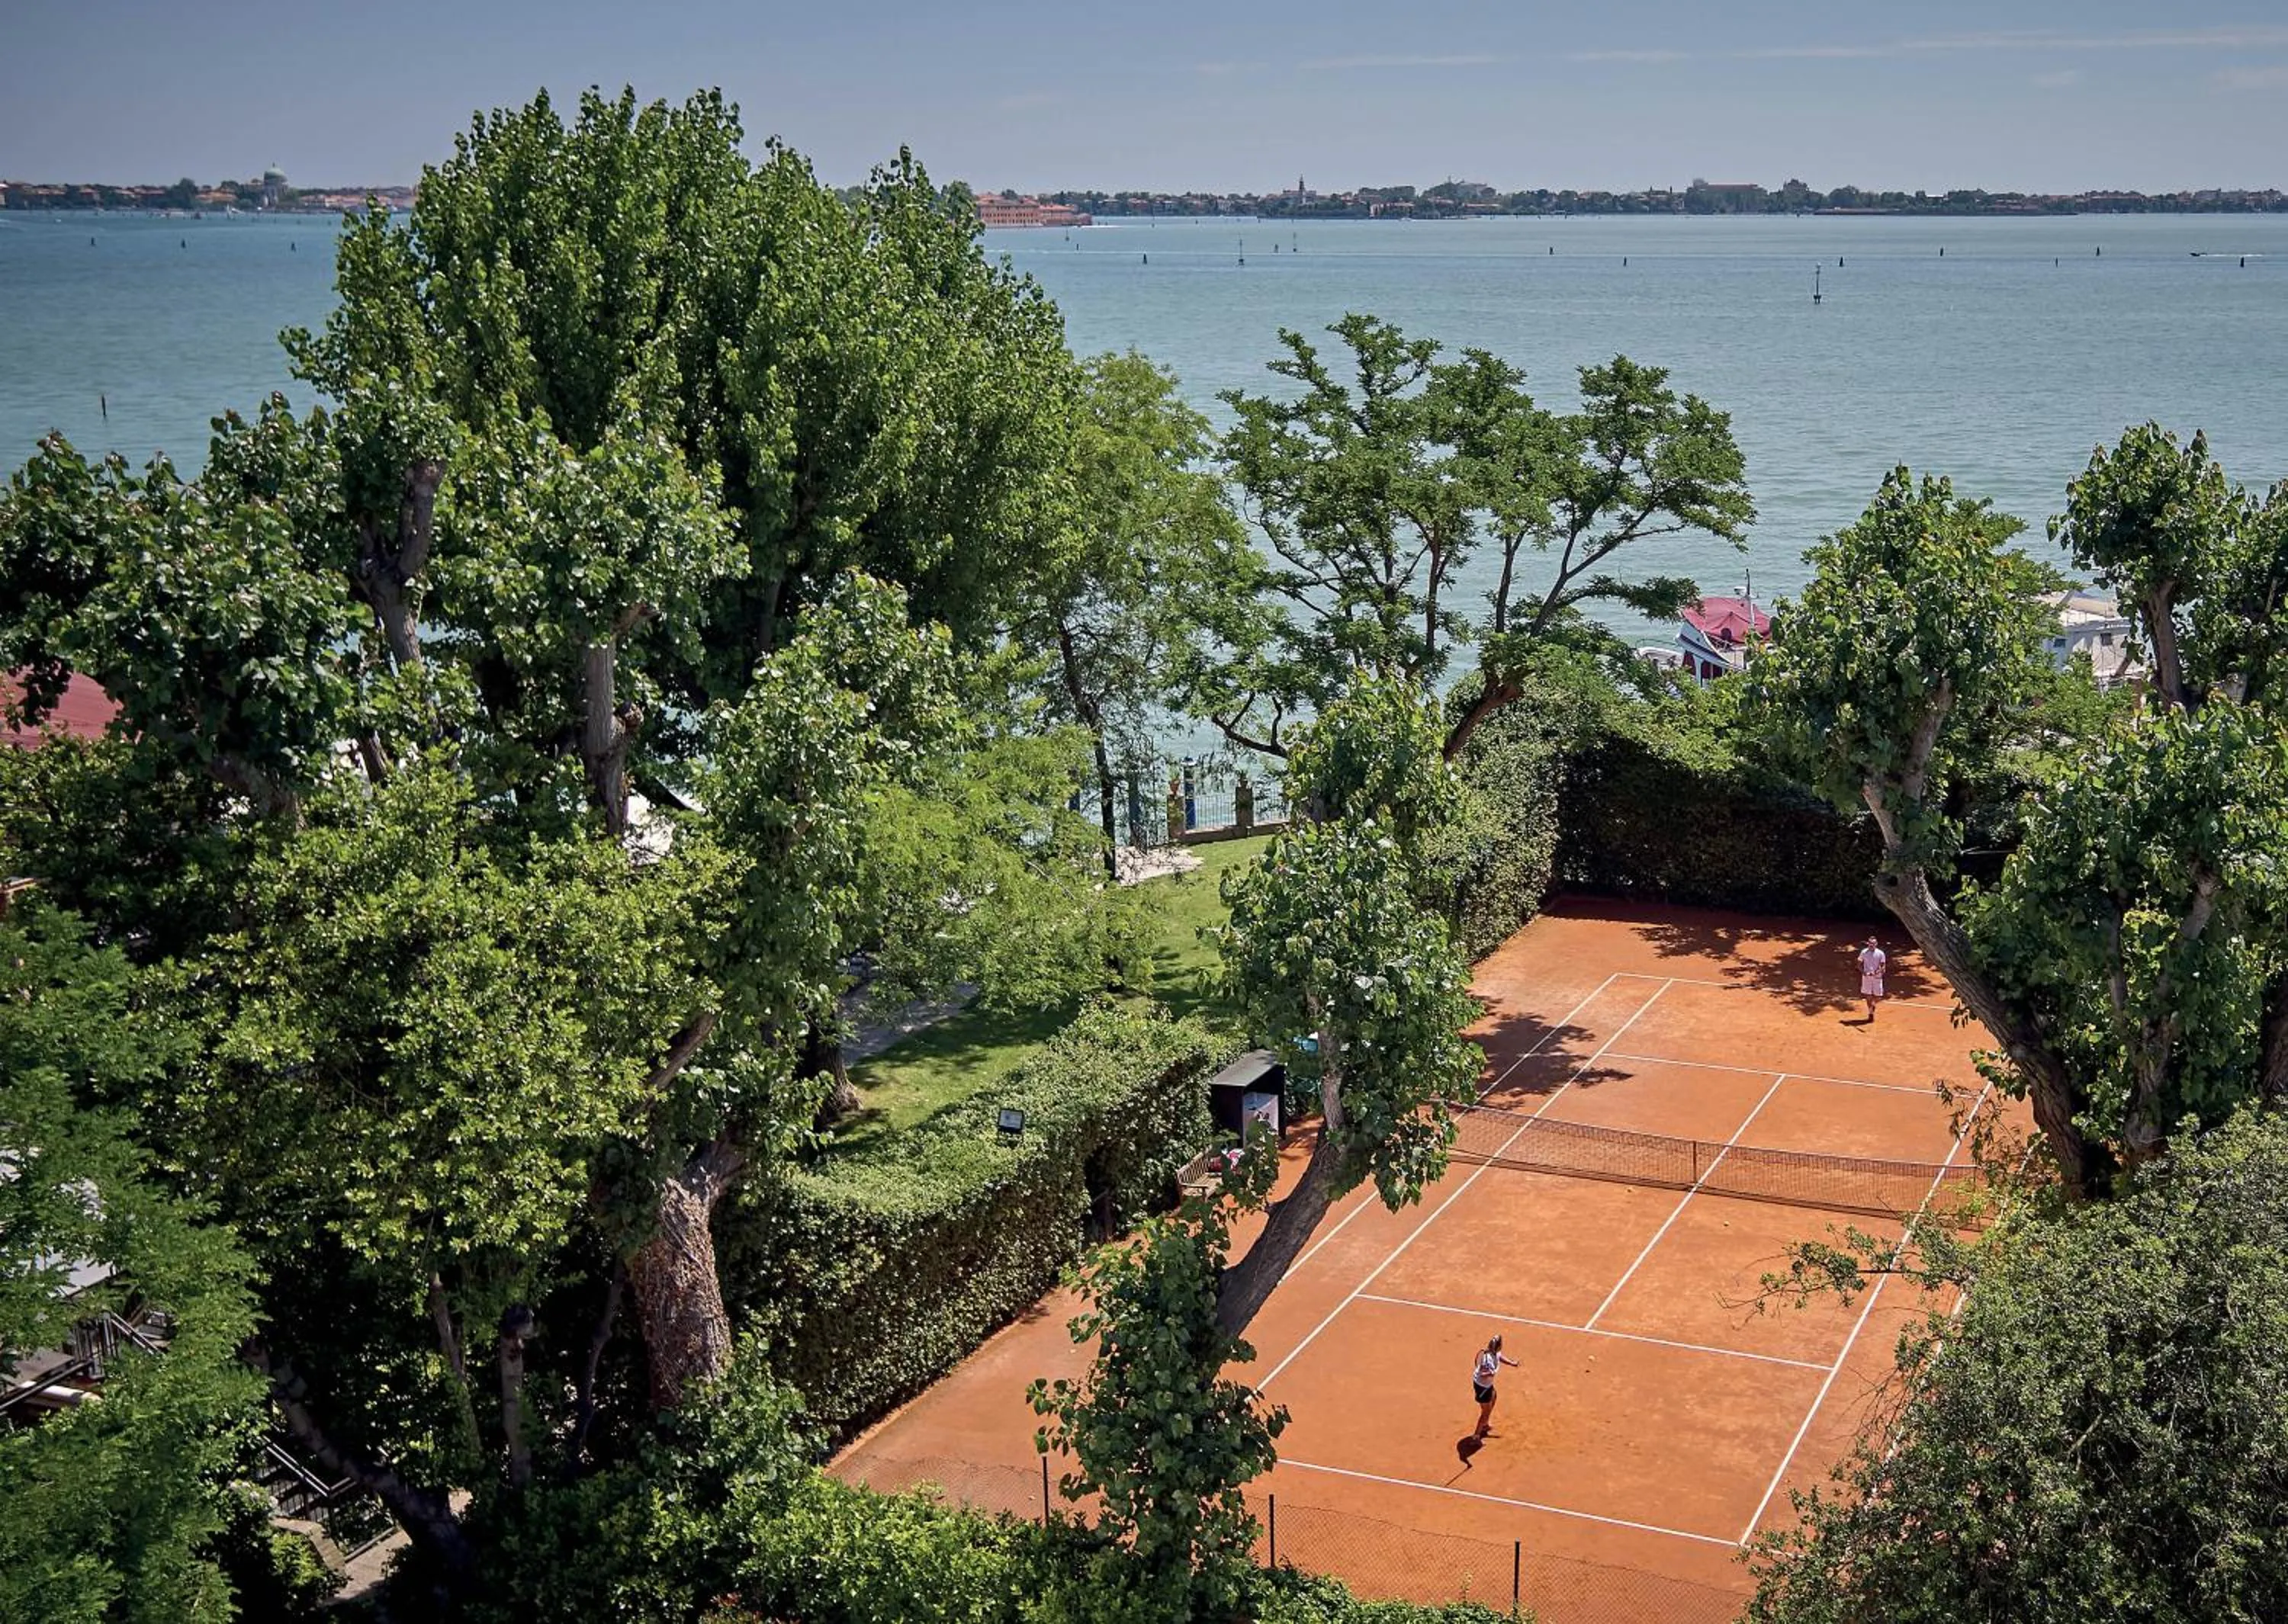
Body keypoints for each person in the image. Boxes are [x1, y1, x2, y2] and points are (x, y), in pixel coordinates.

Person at [1471, 1334, 1518, 1438]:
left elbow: (1500, 1356)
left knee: (1494, 1397)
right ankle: (1476, 1436)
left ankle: (1485, 1425)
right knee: (1485, 1412)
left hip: (1487, 1385)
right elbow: (1482, 1373)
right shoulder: (1487, 1360)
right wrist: (1490, 1373)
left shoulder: (1494, 1352)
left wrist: (1511, 1363)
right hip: (1482, 1387)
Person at [1857, 936, 1888, 1022]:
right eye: (1870, 943)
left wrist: (1876, 972)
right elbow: (1859, 965)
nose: (1872, 945)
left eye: (1873, 943)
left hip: (1877, 977)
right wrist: (1865, 973)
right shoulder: (1863, 952)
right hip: (1867, 977)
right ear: (1868, 943)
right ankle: (1871, 1013)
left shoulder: (1881, 953)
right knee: (1868, 995)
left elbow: (1883, 966)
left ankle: (1873, 1005)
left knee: (1878, 996)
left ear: (1876, 944)